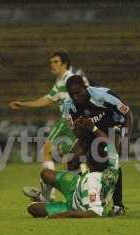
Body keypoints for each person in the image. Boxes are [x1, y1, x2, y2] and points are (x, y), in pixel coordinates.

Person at [9, 51, 88, 200]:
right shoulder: (61, 81)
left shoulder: (71, 79)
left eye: (56, 62)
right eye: (51, 62)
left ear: (65, 64)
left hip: (69, 121)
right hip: (73, 122)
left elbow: (87, 94)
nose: (52, 65)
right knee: (69, 160)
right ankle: (82, 193)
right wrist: (25, 104)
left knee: (47, 150)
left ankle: (47, 195)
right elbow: (47, 99)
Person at [63, 75, 133, 216]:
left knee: (111, 159)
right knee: (72, 160)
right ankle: (79, 199)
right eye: (72, 95)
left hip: (112, 127)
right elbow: (77, 133)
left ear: (85, 87)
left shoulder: (103, 95)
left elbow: (128, 115)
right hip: (90, 130)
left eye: (78, 93)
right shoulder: (68, 105)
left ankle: (118, 206)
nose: (76, 97)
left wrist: (125, 139)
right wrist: (81, 131)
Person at [25, 119, 119, 218]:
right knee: (45, 174)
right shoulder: (113, 166)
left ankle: (44, 199)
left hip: (75, 206)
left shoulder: (93, 180)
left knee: (33, 208)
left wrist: (64, 215)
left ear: (90, 163)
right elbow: (109, 143)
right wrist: (94, 128)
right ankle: (44, 198)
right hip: (76, 183)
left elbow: (94, 213)